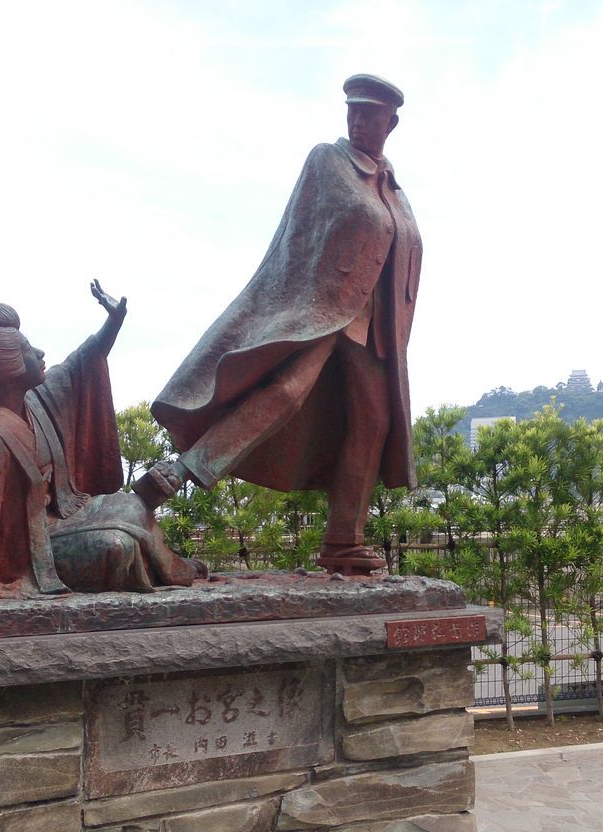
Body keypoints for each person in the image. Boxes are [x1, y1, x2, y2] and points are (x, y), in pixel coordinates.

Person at [145, 74, 422, 575]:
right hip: (323, 310)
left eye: (371, 117)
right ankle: (172, 477)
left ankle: (343, 542)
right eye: (353, 113)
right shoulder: (329, 161)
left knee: (374, 422)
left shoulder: (395, 189)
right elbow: (304, 240)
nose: (359, 124)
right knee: (284, 392)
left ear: (392, 123)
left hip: (374, 328)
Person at [0, 283, 203, 604]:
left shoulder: (35, 401)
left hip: (57, 519)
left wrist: (113, 323)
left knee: (130, 505)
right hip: (24, 549)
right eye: (28, 351)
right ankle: (168, 567)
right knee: (116, 548)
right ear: (10, 369)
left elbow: (81, 364)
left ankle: (175, 567)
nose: (40, 354)